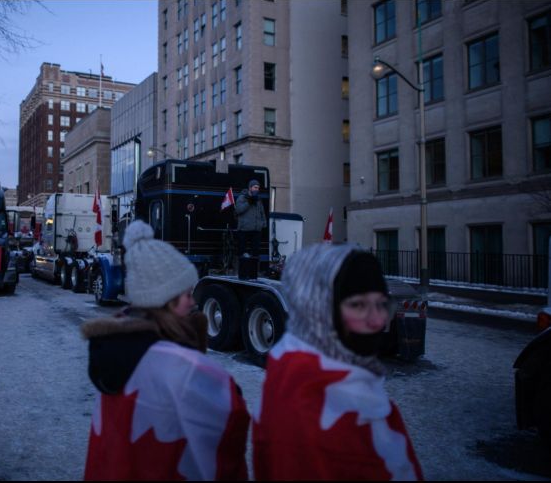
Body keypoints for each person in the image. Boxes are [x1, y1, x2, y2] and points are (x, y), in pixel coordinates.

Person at [82, 220, 250, 481]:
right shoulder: (181, 367)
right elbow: (230, 417)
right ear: (166, 302)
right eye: (186, 295)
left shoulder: (116, 351)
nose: (194, 302)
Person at [253, 244, 423, 481]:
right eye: (358, 305)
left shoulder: (321, 373)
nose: (377, 321)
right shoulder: (311, 410)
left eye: (382, 304)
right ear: (320, 311)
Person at [235, 179, 266, 259]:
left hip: (256, 230)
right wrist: (249, 202)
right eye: (255, 187)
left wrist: (263, 223)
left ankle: (254, 270)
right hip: (244, 230)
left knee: (255, 254)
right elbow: (238, 210)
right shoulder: (242, 197)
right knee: (242, 253)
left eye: (258, 188)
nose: (257, 189)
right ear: (250, 188)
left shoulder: (258, 199)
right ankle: (242, 270)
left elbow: (262, 212)